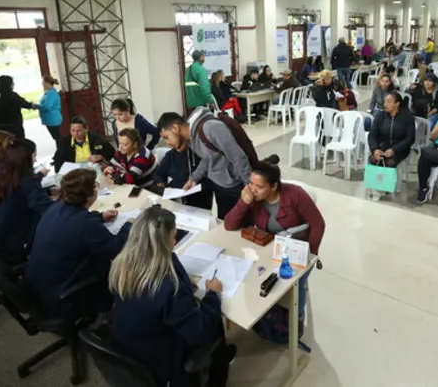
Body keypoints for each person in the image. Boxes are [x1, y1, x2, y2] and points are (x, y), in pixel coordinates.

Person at [109, 205, 235, 387]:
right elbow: (198, 332)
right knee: (213, 322)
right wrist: (212, 294)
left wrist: (184, 279)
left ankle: (219, 358)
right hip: (159, 360)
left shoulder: (124, 263)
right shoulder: (167, 287)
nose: (175, 242)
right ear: (162, 241)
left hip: (129, 346)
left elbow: (171, 261)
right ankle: (218, 376)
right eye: (174, 237)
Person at [224, 156, 325, 346]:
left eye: (259, 186)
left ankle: (297, 318)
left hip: (297, 247)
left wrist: (310, 254)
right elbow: (230, 225)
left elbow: (318, 224)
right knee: (253, 277)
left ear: (274, 186)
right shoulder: (252, 197)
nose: (253, 189)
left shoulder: (295, 194)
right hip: (269, 246)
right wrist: (243, 203)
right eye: (251, 183)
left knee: (297, 281)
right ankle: (268, 313)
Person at [24, 169, 132, 321]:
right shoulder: (86, 225)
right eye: (95, 185)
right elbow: (114, 249)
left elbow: (74, 221)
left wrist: (99, 216)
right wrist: (128, 226)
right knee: (116, 266)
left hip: (40, 286)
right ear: (89, 196)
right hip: (62, 296)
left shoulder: (55, 207)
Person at [157, 110, 252, 220]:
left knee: (242, 224)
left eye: (166, 137)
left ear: (175, 128)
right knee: (225, 222)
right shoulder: (191, 138)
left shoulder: (211, 128)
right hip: (220, 185)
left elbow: (238, 157)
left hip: (237, 184)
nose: (167, 143)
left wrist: (249, 186)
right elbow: (208, 157)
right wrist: (194, 178)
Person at [0, 138, 54, 262]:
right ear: (24, 159)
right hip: (21, 245)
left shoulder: (3, 175)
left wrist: (47, 192)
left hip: (4, 241)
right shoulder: (28, 181)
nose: (35, 160)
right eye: (34, 156)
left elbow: (19, 197)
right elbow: (48, 210)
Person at [152, 135, 214, 210]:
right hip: (176, 198)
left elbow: (212, 179)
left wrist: (196, 186)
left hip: (200, 199)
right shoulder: (170, 155)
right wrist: (160, 182)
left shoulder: (199, 154)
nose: (168, 143)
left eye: (168, 137)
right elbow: (159, 174)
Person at [368, 92, 416, 168]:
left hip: (400, 149)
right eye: (385, 102)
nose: (385, 104)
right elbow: (372, 135)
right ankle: (377, 180)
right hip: (382, 146)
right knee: (374, 160)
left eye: (388, 102)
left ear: (397, 103)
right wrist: (375, 150)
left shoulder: (408, 117)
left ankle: (388, 180)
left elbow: (410, 138)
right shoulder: (380, 115)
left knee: (389, 163)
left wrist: (394, 150)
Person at [0, 75, 36, 140]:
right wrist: (32, 105)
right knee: (18, 143)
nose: (14, 84)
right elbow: (23, 103)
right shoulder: (12, 95)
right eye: (12, 83)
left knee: (5, 143)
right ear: (8, 84)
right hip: (13, 124)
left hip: (0, 125)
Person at [39, 75, 63, 142]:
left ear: (47, 83)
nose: (42, 84)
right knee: (57, 137)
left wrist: (36, 106)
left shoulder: (51, 93)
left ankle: (62, 151)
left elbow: (47, 107)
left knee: (58, 138)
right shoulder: (48, 93)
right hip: (50, 119)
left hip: (52, 119)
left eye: (43, 82)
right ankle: (61, 151)